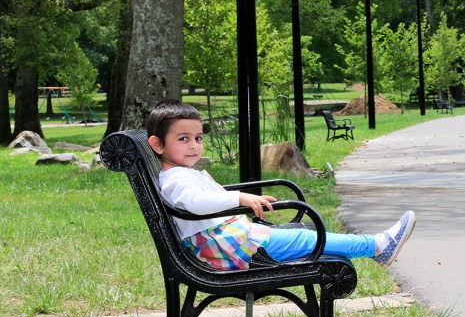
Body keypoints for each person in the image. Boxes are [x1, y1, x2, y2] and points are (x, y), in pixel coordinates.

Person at [147, 100, 416, 271]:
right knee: (304, 238)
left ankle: (374, 246)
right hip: (232, 248)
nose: (194, 145)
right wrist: (240, 198)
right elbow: (195, 203)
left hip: (232, 241)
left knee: (305, 238)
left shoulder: (182, 174)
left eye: (198, 137)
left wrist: (238, 200)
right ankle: (376, 246)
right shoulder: (176, 180)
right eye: (183, 139)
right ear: (158, 145)